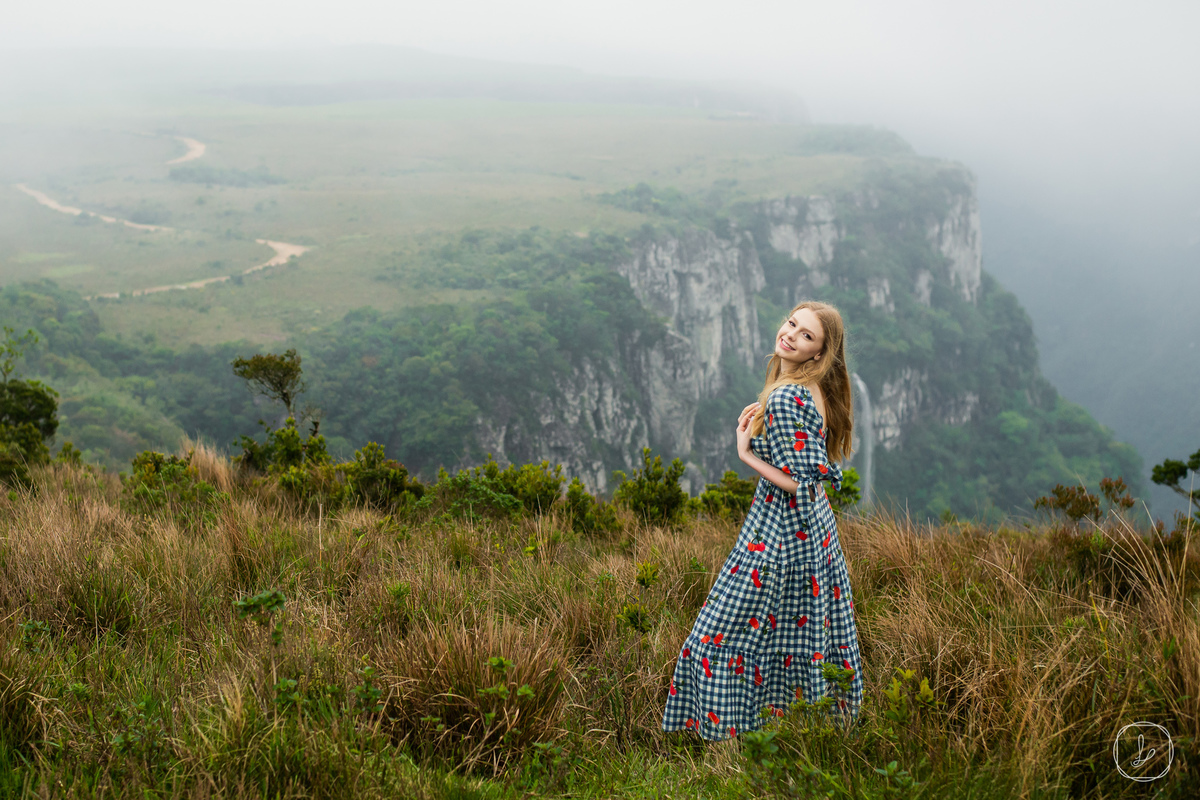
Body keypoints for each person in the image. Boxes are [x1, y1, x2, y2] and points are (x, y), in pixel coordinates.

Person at [660, 300, 864, 741]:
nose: (790, 334)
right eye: (792, 323)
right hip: (812, 538)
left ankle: (725, 741)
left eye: (806, 335)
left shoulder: (789, 395)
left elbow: (804, 484)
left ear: (818, 354)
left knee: (717, 636)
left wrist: (745, 454)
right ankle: (798, 738)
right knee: (793, 644)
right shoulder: (808, 388)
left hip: (781, 536)